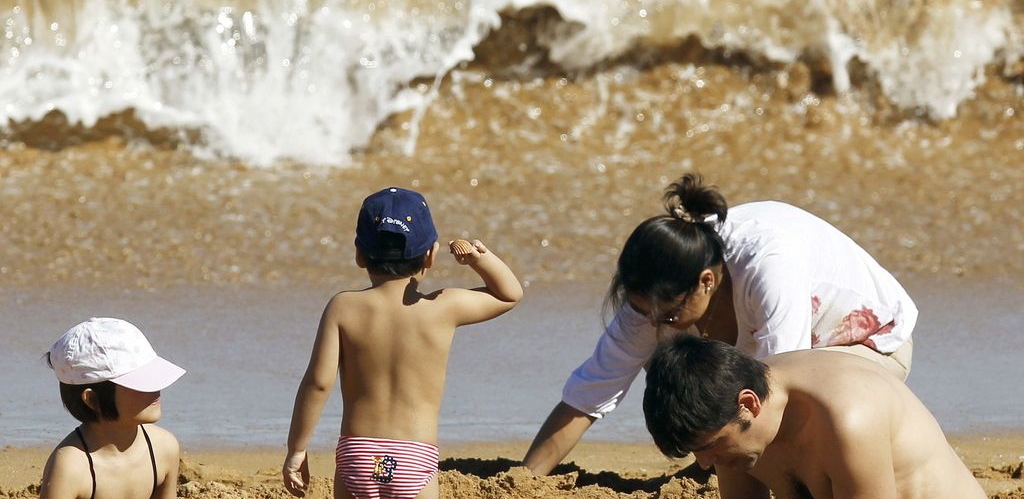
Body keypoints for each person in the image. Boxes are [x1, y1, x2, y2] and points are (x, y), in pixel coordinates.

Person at [523, 172, 918, 475]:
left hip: (865, 347)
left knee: (797, 430)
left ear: (706, 282)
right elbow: (589, 394)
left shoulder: (768, 267)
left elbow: (781, 389)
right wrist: (526, 479)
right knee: (666, 359)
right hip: (773, 361)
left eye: (670, 314)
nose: (659, 323)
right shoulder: (661, 290)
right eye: (645, 312)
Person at [282, 186, 524, 499]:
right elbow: (509, 294)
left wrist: (296, 450)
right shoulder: (442, 307)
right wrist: (478, 258)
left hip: (358, 454)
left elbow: (318, 384)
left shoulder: (343, 307)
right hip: (415, 456)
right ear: (431, 255)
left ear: (359, 254)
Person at [643, 335, 985, 499]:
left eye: (710, 446)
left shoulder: (847, 418)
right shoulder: (728, 421)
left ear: (749, 403)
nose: (704, 464)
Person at [40, 317, 187, 499]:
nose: (155, 388)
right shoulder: (71, 466)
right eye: (140, 383)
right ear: (91, 399)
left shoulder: (163, 447)